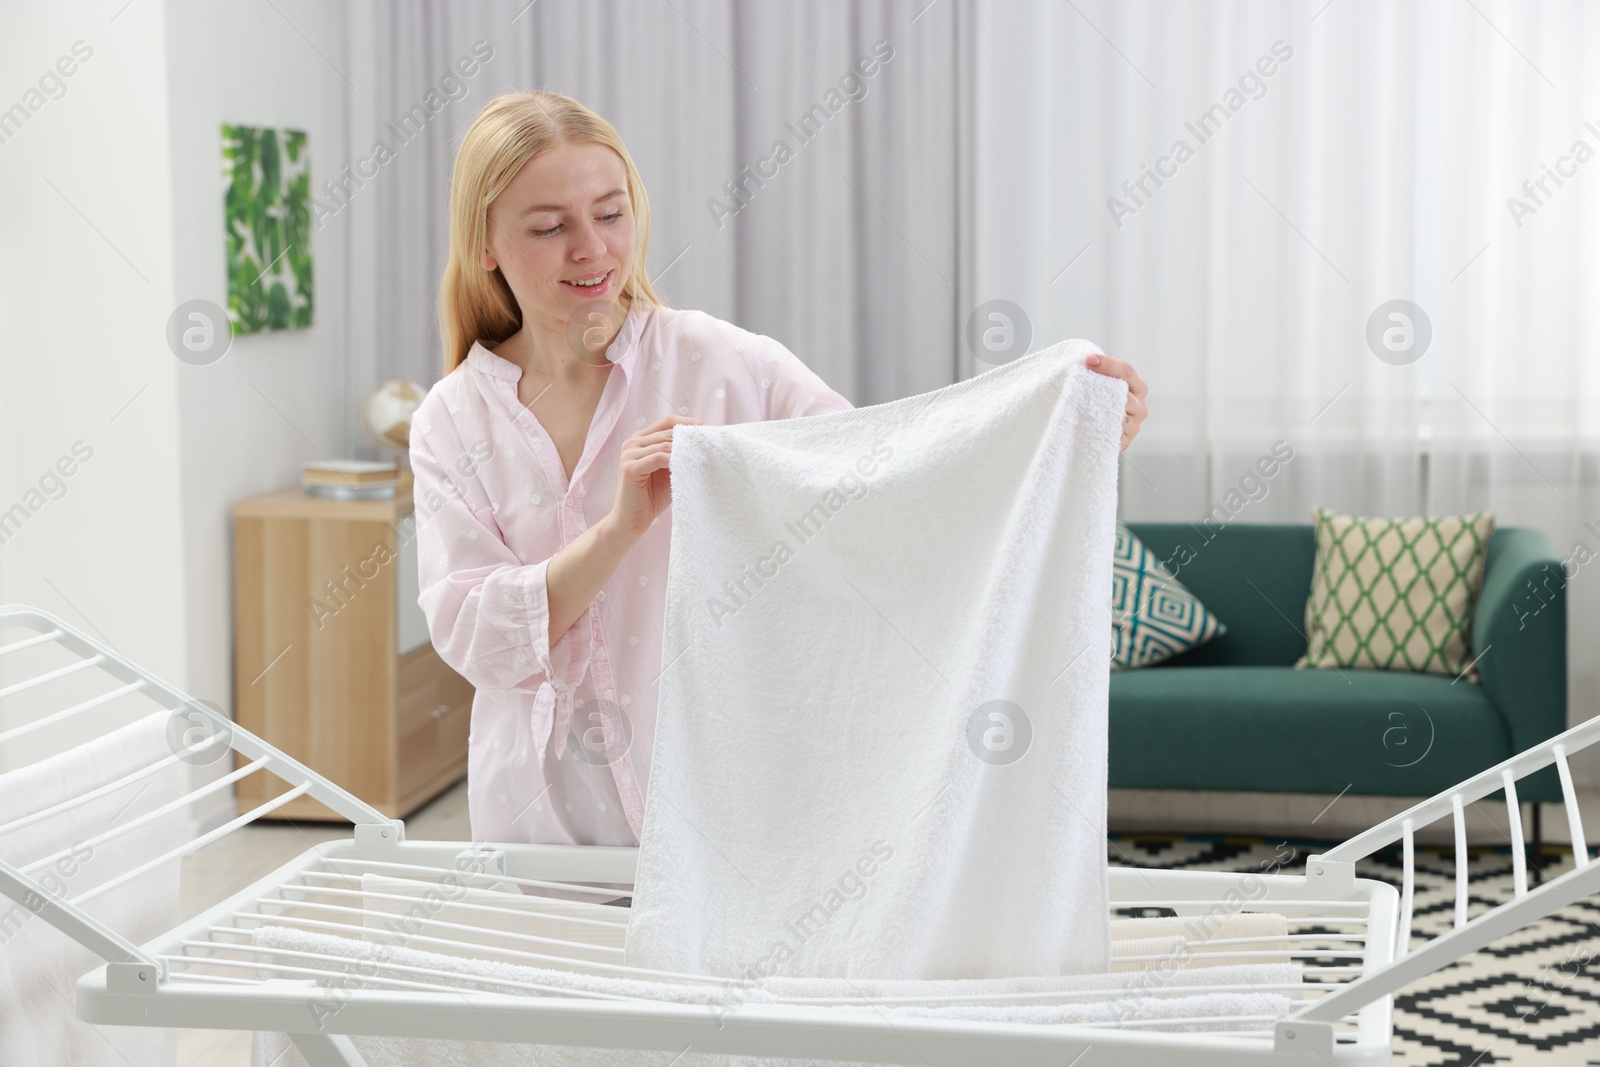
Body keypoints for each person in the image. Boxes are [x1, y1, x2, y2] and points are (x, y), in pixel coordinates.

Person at [411, 90, 1150, 849]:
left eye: (609, 213)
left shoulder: (728, 367)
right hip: (535, 835)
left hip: (710, 816)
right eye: (549, 226)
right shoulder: (452, 420)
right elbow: (477, 636)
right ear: (485, 244)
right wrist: (619, 528)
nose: (592, 249)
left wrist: (1058, 434)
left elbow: (885, 483)